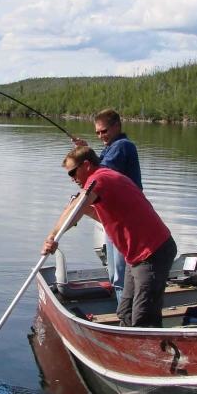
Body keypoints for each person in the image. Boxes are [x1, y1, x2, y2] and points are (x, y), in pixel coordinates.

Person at [42, 146, 176, 328]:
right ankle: (127, 348)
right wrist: (85, 210)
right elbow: (98, 214)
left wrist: (53, 237)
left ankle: (148, 352)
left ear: (87, 165)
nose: (72, 179)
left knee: (144, 317)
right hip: (136, 255)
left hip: (153, 252)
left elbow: (75, 209)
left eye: (73, 173)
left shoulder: (100, 179)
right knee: (125, 312)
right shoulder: (104, 180)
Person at [72, 109, 141, 301]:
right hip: (114, 218)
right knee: (115, 275)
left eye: (104, 131)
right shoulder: (111, 147)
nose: (101, 135)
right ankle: (125, 313)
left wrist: (85, 156)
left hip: (125, 219)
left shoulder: (122, 146)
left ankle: (127, 320)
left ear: (117, 126)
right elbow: (100, 167)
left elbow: (101, 173)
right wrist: (87, 152)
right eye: (98, 133)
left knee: (120, 276)